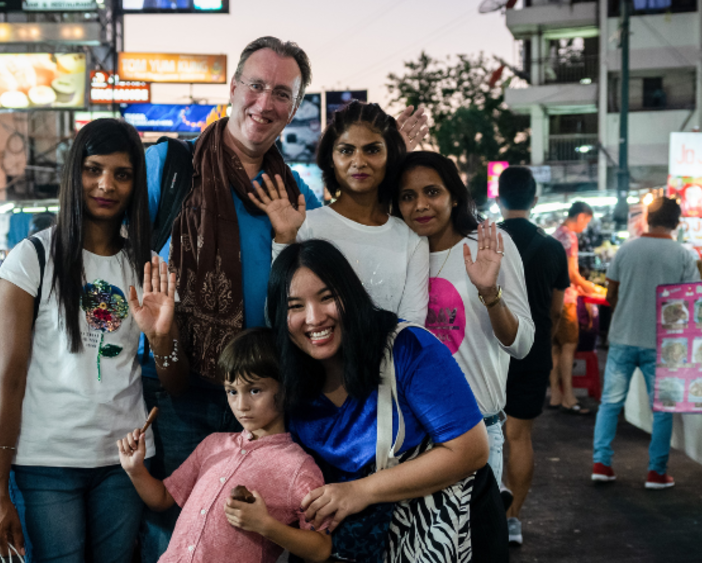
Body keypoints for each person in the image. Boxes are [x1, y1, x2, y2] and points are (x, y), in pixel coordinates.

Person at [140, 36, 429, 561]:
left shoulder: (294, 190)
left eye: (282, 94)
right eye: (256, 85)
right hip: (184, 385)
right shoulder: (170, 165)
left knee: (262, 535)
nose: (265, 103)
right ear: (233, 88)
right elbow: (107, 237)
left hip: (273, 393)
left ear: (294, 109)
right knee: (180, 523)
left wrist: (395, 158)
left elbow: (354, 222)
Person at [0, 119, 181, 562]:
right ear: (76, 174)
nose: (105, 184)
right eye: (93, 169)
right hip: (45, 463)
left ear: (135, 183)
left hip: (123, 463)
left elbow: (173, 378)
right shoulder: (31, 259)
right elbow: (8, 382)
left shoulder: (147, 267)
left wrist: (162, 334)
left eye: (122, 174)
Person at [269, 240, 506, 562]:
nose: (314, 318)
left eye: (327, 298)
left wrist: (361, 491)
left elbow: (472, 449)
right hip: (357, 542)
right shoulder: (284, 376)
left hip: (441, 532)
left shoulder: (408, 348)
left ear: (349, 294)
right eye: (295, 306)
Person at [117, 328, 332, 562]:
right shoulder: (213, 444)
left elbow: (321, 548)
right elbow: (162, 498)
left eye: (254, 390)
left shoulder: (298, 468)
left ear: (286, 387)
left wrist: (265, 525)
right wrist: (135, 470)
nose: (241, 405)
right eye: (231, 391)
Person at [394, 152, 535, 487]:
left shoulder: (489, 246)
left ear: (454, 196)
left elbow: (522, 345)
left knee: (476, 539)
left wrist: (490, 294)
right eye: (407, 196)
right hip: (411, 435)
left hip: (477, 431)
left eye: (432, 192)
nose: (421, 205)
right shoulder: (396, 255)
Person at [253, 99, 429, 324]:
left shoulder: (411, 240)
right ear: (331, 159)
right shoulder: (303, 226)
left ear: (390, 157)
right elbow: (276, 319)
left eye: (372, 150)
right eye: (346, 150)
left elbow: (412, 328)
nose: (359, 161)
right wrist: (284, 240)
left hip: (393, 359)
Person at [591, 197, 697, 492]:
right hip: (662, 343)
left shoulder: (627, 248)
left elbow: (610, 294)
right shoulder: (682, 254)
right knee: (662, 409)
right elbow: (692, 299)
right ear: (676, 222)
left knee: (610, 404)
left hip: (623, 337)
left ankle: (601, 464)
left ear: (648, 220)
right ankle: (656, 472)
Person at [496, 166, 570, 547]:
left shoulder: (483, 240)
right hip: (535, 349)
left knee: (485, 434)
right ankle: (513, 519)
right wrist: (547, 341)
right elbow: (556, 311)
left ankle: (484, 515)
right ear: (535, 200)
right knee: (519, 436)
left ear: (498, 199)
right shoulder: (553, 247)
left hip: (491, 352)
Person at [549, 201, 598, 414]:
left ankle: (556, 396)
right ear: (580, 217)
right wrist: (591, 287)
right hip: (567, 297)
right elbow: (571, 273)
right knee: (569, 346)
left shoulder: (554, 234)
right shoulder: (569, 236)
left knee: (554, 348)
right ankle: (569, 397)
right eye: (586, 221)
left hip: (550, 297)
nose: (585, 226)